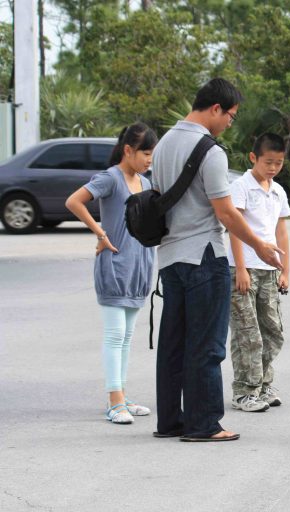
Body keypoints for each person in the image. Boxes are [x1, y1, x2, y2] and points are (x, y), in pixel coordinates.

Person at [150, 78, 284, 442]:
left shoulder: (162, 145)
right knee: (207, 345)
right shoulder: (211, 151)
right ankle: (204, 424)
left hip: (169, 257)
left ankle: (170, 422)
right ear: (215, 109)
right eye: (231, 116)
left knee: (174, 344)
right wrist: (261, 245)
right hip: (204, 256)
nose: (230, 123)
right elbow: (225, 213)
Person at [65, 122, 157, 425]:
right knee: (115, 335)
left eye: (152, 154)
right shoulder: (110, 179)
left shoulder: (144, 183)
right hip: (115, 267)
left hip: (139, 268)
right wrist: (99, 232)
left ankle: (122, 396)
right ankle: (114, 400)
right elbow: (73, 201)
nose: (149, 159)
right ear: (128, 150)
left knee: (127, 336)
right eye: (145, 153)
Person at [228, 133, 290, 413]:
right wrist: (240, 268)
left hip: (270, 270)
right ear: (253, 158)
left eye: (278, 163)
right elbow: (234, 228)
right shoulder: (240, 187)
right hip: (244, 268)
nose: (273, 168)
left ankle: (264, 384)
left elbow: (281, 232)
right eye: (268, 162)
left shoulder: (278, 191)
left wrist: (285, 270)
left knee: (273, 331)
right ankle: (244, 391)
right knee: (248, 334)